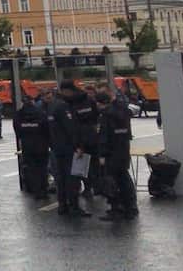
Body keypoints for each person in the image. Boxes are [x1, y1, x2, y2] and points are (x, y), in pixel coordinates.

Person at [93, 92, 136, 221]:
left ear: (100, 103)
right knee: (124, 180)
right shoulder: (123, 112)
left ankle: (115, 209)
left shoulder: (106, 116)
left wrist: (102, 155)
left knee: (110, 182)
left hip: (111, 155)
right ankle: (129, 208)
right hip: (123, 151)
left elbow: (104, 137)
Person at [49, 81, 87, 217]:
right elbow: (71, 129)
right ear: (65, 91)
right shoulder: (64, 107)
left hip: (57, 147)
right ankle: (74, 206)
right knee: (73, 177)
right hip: (69, 148)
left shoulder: (52, 105)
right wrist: (78, 146)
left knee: (61, 178)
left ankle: (63, 205)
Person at [14, 98, 51, 200]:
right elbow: (47, 129)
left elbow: (17, 131)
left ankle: (36, 191)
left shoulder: (18, 115)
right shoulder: (41, 113)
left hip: (27, 146)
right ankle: (44, 190)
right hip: (41, 145)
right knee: (42, 169)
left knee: (32, 169)